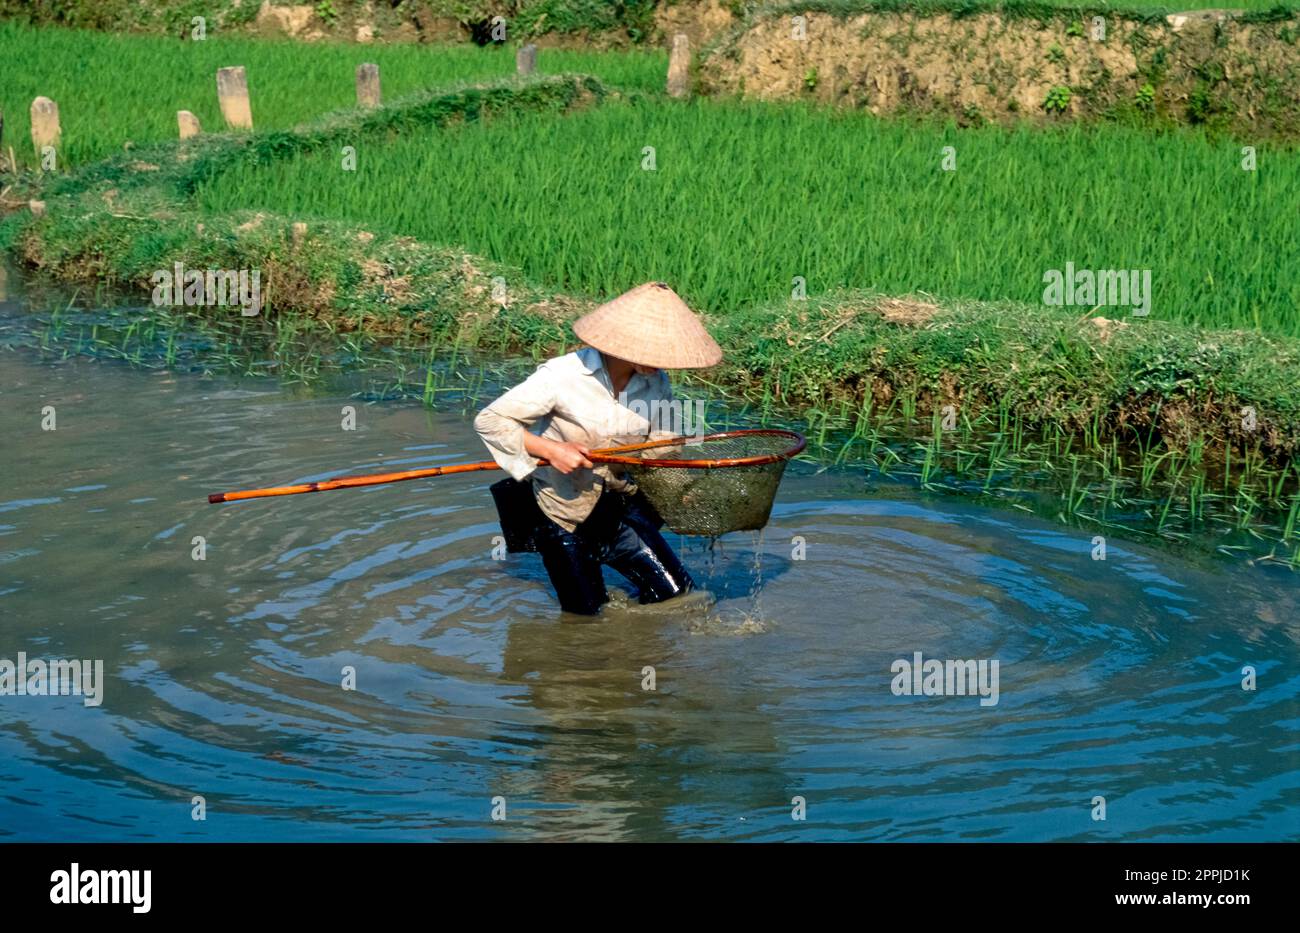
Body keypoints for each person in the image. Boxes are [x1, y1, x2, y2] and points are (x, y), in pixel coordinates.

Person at [474, 282, 723, 616]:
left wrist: (680, 483)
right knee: (585, 622)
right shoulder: (562, 376)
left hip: (618, 511)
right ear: (622, 344)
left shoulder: (656, 381)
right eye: (653, 352)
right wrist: (551, 449)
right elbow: (491, 420)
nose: (662, 362)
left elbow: (661, 449)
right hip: (564, 513)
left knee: (684, 600)